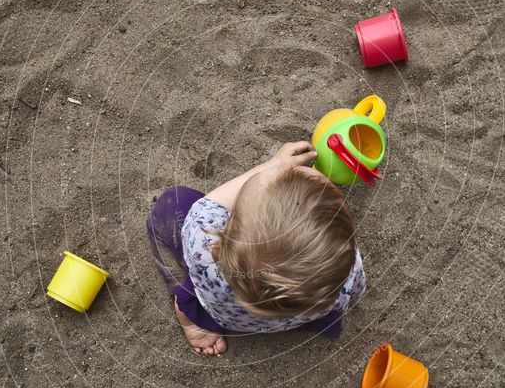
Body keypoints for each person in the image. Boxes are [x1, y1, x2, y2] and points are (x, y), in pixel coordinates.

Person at [146, 142, 366, 356]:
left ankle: (195, 320)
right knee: (301, 185)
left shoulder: (206, 255)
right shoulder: (346, 271)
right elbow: (357, 288)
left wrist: (273, 166)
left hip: (225, 312)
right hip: (303, 312)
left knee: (173, 202)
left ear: (222, 245)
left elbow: (206, 206)